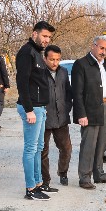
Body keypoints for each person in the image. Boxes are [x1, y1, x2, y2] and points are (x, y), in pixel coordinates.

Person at [16, 20, 56, 201]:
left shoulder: (37, 53)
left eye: (49, 37)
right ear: (34, 33)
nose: (47, 40)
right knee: (31, 148)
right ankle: (30, 188)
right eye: (44, 36)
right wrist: (29, 109)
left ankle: (38, 183)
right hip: (32, 108)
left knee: (39, 147)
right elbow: (22, 83)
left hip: (40, 107)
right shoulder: (26, 53)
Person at [71, 35, 106, 189]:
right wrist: (80, 114)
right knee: (88, 145)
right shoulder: (81, 64)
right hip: (89, 109)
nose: (103, 52)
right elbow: (77, 92)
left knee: (102, 143)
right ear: (93, 46)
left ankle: (99, 174)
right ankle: (84, 177)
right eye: (101, 48)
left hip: (105, 107)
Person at [41, 45, 73, 188]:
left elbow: (68, 92)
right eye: (52, 59)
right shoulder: (39, 72)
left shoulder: (64, 72)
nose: (55, 63)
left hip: (61, 118)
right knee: (43, 151)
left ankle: (63, 173)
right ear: (45, 58)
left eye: (58, 59)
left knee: (66, 148)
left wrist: (67, 108)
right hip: (44, 119)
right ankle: (45, 180)